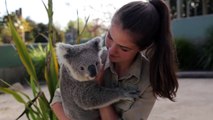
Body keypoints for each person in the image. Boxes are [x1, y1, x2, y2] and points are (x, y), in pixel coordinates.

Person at [51, 0, 179, 120]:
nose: (111, 50)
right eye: (110, 37)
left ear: (142, 47)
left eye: (123, 48)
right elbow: (58, 98)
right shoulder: (92, 58)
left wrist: (98, 88)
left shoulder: (148, 81)